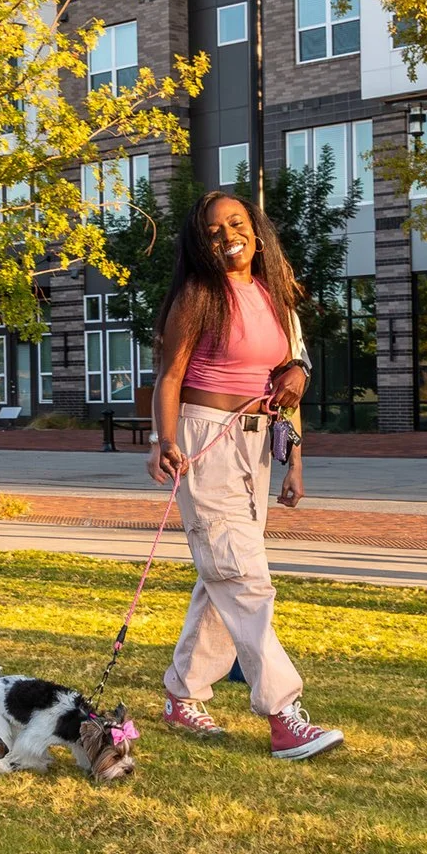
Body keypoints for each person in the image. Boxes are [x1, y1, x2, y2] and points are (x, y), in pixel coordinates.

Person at [148, 190, 342, 760]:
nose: (226, 235)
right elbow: (168, 377)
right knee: (242, 574)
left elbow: (288, 379)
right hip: (204, 437)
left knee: (223, 573)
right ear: (200, 244)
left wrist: (295, 460)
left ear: (256, 232)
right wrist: (163, 441)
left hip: (257, 442)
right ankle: (283, 714)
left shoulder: (275, 294)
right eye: (211, 230)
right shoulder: (197, 296)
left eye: (236, 223)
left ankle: (182, 693)